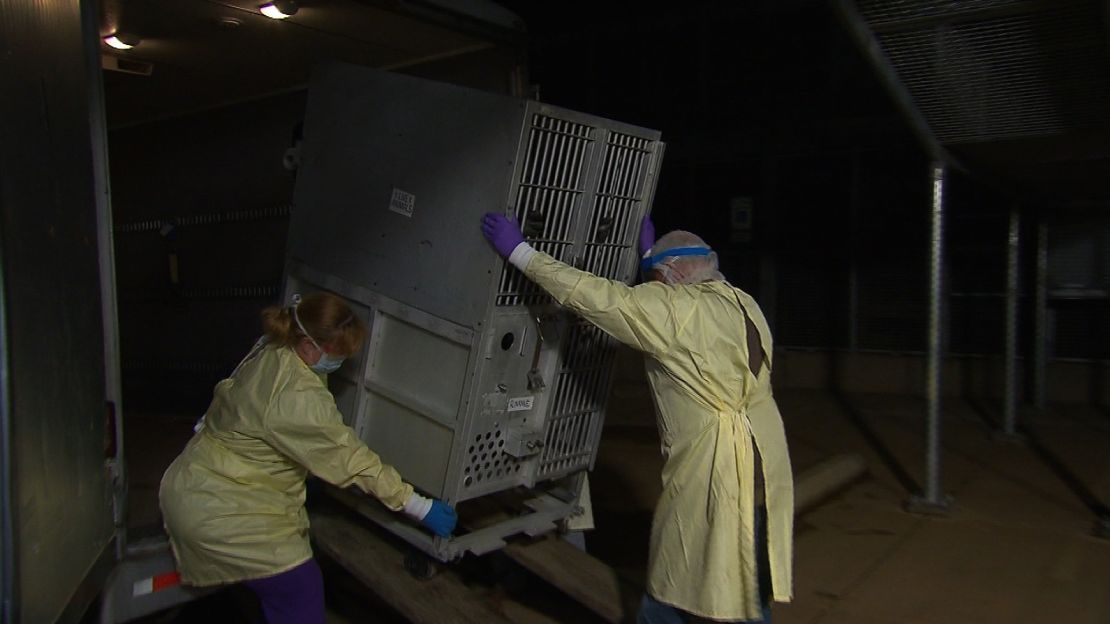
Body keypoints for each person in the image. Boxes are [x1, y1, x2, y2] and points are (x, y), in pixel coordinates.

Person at [480, 213, 793, 623]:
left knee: (680, 588)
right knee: (747, 584)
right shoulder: (742, 301)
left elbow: (601, 298)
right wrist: (651, 258)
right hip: (766, 461)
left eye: (657, 279)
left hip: (718, 468)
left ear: (672, 277)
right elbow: (685, 309)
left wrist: (522, 253)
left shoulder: (674, 311)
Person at [159, 291, 457, 624]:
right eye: (337, 353)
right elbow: (352, 458)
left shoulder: (274, 345)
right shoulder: (298, 397)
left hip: (199, 476)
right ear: (309, 346)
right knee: (300, 587)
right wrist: (417, 505)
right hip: (226, 508)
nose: (341, 361)